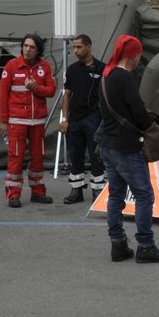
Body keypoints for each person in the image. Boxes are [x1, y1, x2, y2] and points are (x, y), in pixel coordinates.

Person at [96, 34, 159, 263]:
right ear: (134, 55)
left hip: (107, 144)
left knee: (116, 197)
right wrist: (151, 125)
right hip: (126, 146)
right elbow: (138, 111)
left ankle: (118, 245)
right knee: (143, 195)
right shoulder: (125, 78)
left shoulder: (105, 76)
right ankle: (146, 247)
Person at [0, 32, 56, 207]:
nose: (27, 50)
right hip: (17, 122)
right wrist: (4, 121)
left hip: (37, 122)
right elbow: (2, 95)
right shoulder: (11, 66)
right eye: (25, 46)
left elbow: (51, 90)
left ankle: (38, 192)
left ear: (38, 50)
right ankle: (13, 195)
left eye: (31, 47)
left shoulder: (44, 67)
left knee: (38, 157)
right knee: (16, 156)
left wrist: (35, 87)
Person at [59, 34, 108, 205]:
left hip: (94, 118)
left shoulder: (103, 68)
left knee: (96, 156)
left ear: (89, 47)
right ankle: (76, 190)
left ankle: (97, 190)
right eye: (74, 47)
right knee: (75, 155)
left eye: (79, 47)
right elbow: (67, 95)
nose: (75, 50)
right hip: (75, 119)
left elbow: (108, 96)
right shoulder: (72, 70)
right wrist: (65, 119)